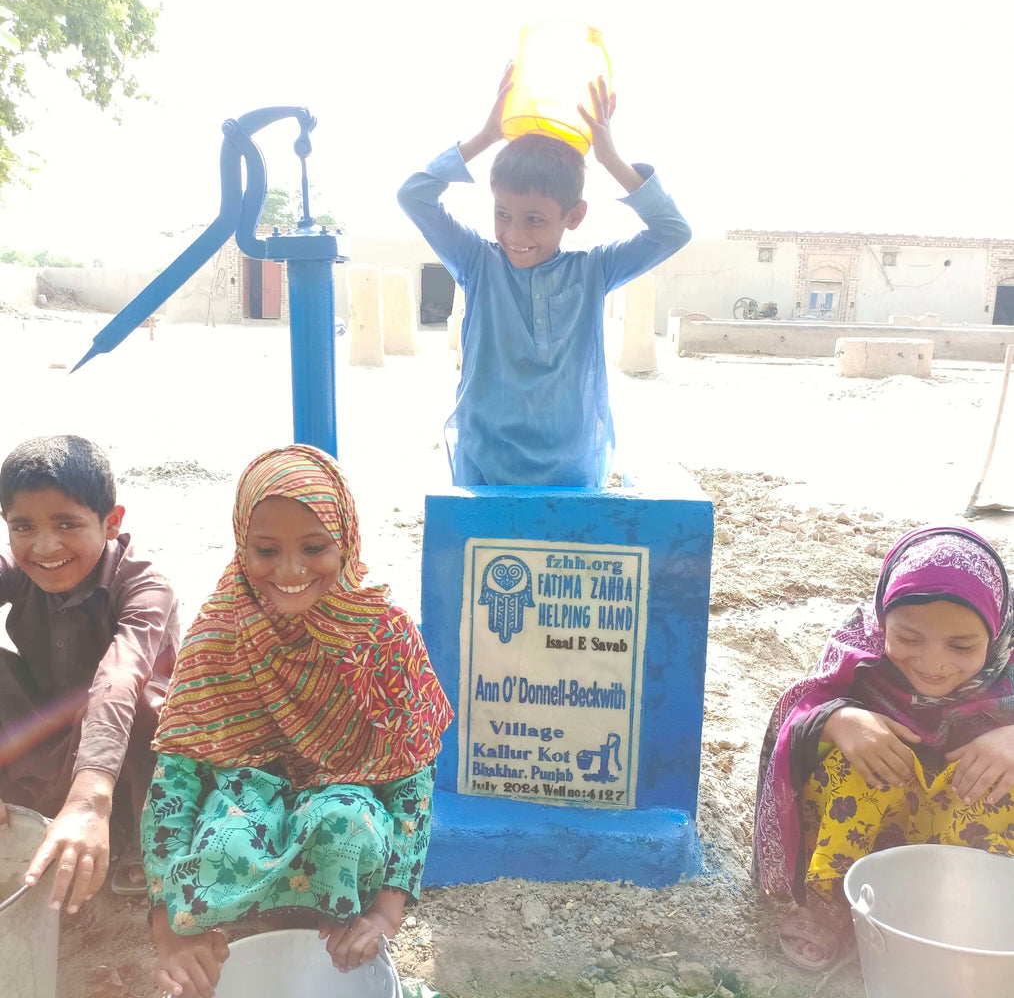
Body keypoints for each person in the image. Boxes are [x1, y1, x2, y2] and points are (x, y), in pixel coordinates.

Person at [141, 444, 454, 998]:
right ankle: (235, 925)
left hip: (343, 807)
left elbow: (412, 782)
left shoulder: (381, 637)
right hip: (245, 804)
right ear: (242, 542)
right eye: (266, 550)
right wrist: (169, 930)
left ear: (346, 541)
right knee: (226, 842)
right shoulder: (220, 629)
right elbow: (177, 778)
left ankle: (339, 919)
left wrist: (386, 914)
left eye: (314, 548)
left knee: (344, 824)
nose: (289, 571)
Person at [397, 66, 691, 488]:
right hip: (484, 468)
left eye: (534, 219)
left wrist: (610, 159)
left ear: (574, 217)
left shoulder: (594, 271)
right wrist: (485, 137)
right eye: (502, 214)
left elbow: (673, 231)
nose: (515, 234)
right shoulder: (478, 262)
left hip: (573, 471)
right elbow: (413, 195)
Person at [754, 526, 1014, 971]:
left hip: (968, 840)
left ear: (994, 635)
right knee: (853, 766)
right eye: (910, 638)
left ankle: (973, 911)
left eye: (962, 645)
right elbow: (796, 712)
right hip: (871, 833)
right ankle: (832, 904)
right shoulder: (860, 659)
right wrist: (840, 720)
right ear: (882, 619)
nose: (934, 664)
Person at [0, 434, 179, 912]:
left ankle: (144, 840)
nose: (44, 545)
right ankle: (35, 806)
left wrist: (90, 799)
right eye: (23, 526)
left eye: (66, 523)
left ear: (112, 521)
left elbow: (118, 680)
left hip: (128, 756)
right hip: (54, 736)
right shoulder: (16, 569)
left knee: (148, 703)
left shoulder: (145, 586)